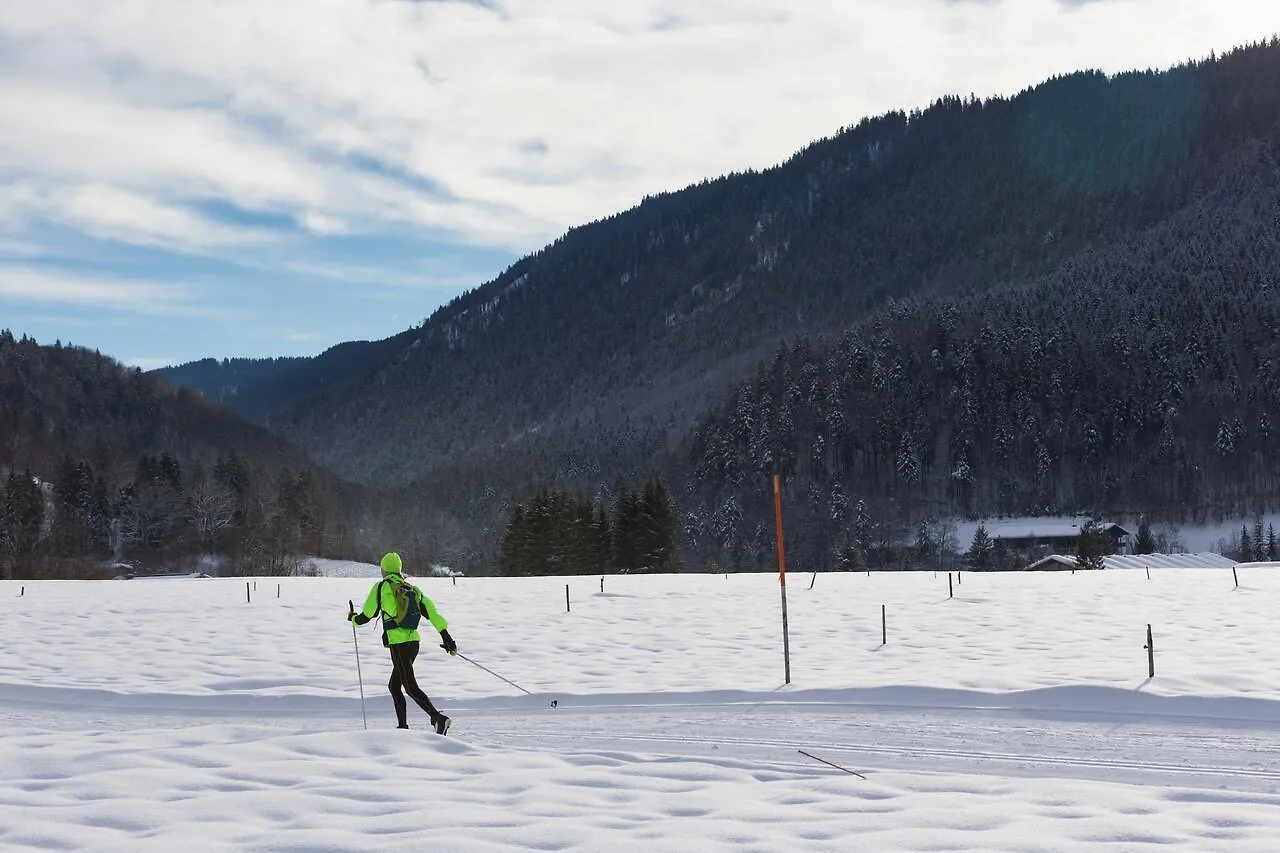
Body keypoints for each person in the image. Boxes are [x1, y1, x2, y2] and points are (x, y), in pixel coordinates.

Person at [348, 552, 458, 734]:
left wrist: (353, 620)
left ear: (384, 569)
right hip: (413, 643)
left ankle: (438, 718)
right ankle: (403, 727)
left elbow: (367, 615)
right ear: (399, 569)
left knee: (409, 686)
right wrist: (446, 636)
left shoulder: (382, 586)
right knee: (394, 686)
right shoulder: (412, 589)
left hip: (398, 644)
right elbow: (432, 613)